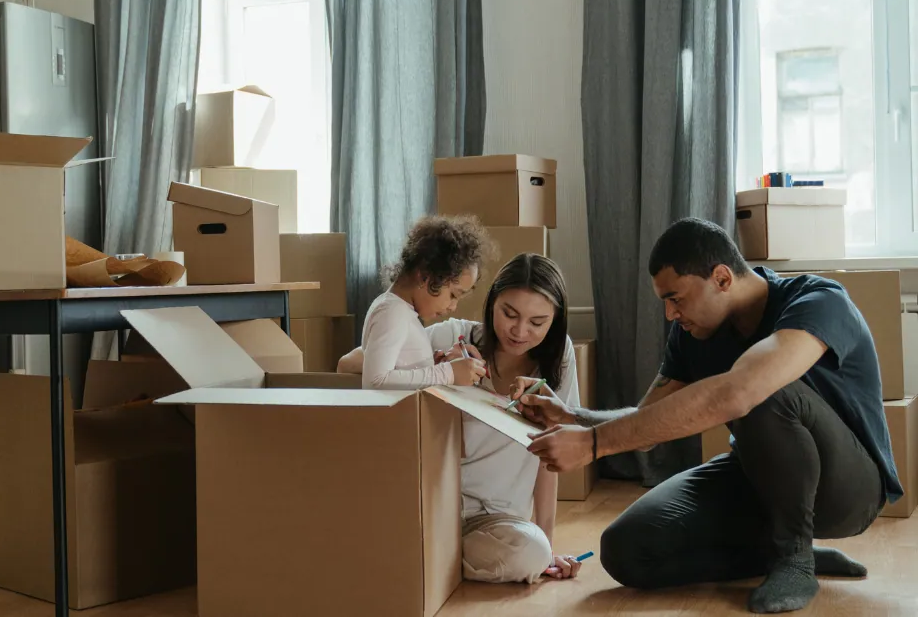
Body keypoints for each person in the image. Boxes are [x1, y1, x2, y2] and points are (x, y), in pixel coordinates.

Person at [513, 218, 898, 613]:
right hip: (756, 478)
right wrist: (574, 417)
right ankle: (776, 553)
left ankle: (794, 559)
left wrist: (594, 446)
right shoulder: (692, 332)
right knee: (626, 549)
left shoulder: (818, 300)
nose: (669, 314)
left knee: (762, 388)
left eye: (676, 298)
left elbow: (742, 391)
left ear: (722, 278)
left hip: (849, 490)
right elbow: (649, 421)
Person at [340, 252, 586, 583]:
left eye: (537, 322)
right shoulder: (452, 336)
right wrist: (438, 368)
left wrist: (548, 545)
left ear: (555, 321)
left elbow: (550, 455)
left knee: (532, 553)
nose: (519, 331)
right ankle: (428, 556)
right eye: (509, 313)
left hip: (496, 521)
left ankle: (425, 559)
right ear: (491, 303)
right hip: (432, 506)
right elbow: (349, 364)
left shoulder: (559, 360)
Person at [358, 214, 491, 390]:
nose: (453, 307)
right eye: (453, 295)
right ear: (425, 275)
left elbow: (400, 372)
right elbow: (375, 381)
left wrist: (431, 368)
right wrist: (447, 373)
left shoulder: (402, 311)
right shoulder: (392, 312)